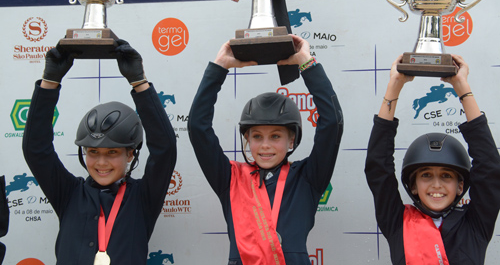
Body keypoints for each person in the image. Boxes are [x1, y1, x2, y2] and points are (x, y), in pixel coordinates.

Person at [188, 34, 343, 264]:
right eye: (257, 136)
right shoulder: (230, 179)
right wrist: (219, 68)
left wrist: (307, 63)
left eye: (276, 136)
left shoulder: (308, 178)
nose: (265, 145)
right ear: (247, 140)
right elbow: (197, 128)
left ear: (292, 141)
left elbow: (332, 122)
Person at [22, 40, 177, 264]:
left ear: (130, 154)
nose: (101, 162)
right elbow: (36, 149)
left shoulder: (143, 197)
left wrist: (139, 82)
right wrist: (50, 82)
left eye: (112, 152)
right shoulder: (68, 193)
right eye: (93, 151)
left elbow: (165, 150)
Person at [365, 54, 500, 264]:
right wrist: (395, 85)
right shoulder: (397, 222)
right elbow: (378, 166)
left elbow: (490, 168)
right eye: (426, 175)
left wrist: (461, 86)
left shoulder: (476, 224)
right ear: (413, 186)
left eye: (446, 176)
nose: (436, 185)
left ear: (460, 186)